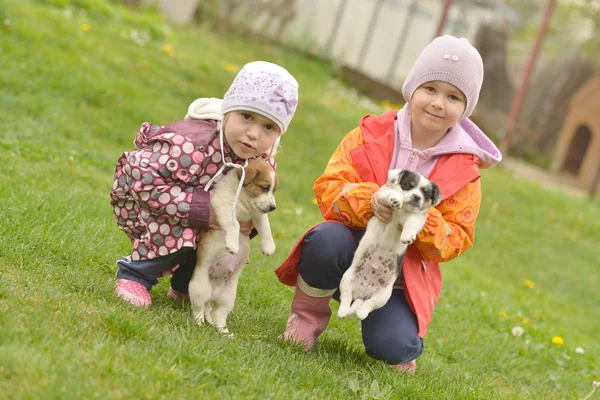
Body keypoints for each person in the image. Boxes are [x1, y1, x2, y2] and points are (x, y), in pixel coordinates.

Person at [274, 35, 501, 373]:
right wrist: (371, 199)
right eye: (430, 89)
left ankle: (399, 339)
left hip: (399, 277)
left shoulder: (465, 170)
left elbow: (457, 238)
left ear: (465, 109)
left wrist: (421, 219)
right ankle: (306, 319)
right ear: (412, 88)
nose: (439, 103)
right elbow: (328, 189)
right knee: (324, 239)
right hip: (350, 248)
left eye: (454, 97)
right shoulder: (370, 133)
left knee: (392, 347)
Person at [110, 61, 299, 308]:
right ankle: (136, 273)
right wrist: (203, 209)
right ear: (228, 111)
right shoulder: (192, 142)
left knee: (217, 235)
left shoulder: (260, 161)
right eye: (246, 116)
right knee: (185, 228)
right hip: (145, 206)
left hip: (200, 216)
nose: (254, 133)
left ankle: (185, 285)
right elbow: (144, 183)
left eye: (268, 127)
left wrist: (244, 223)